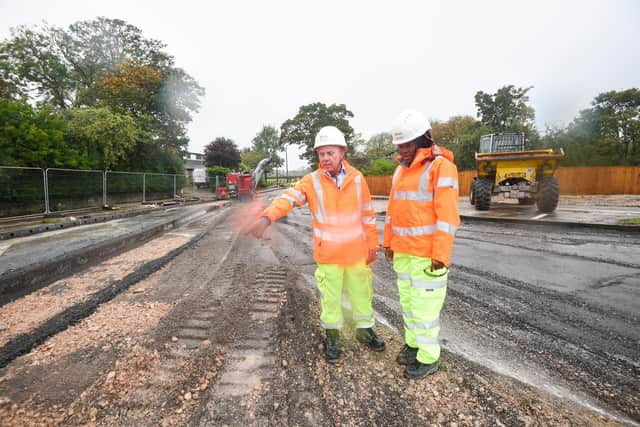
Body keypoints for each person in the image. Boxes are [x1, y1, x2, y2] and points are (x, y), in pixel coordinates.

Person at [245, 125, 385, 363]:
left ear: (342, 152)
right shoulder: (311, 181)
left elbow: (368, 215)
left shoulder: (358, 179)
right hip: (329, 254)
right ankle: (333, 336)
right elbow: (288, 198)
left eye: (330, 153)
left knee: (361, 293)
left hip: (355, 253)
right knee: (330, 298)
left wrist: (372, 244)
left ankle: (364, 330)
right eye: (321, 154)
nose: (325, 158)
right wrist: (267, 217)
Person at [383, 110, 460, 380]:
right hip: (404, 253)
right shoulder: (399, 172)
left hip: (428, 257)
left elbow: (448, 216)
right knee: (409, 304)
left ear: (422, 139)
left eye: (406, 144)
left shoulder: (441, 168)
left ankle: (428, 358)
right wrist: (388, 243)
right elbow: (392, 211)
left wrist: (441, 254)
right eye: (399, 145)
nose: (401, 150)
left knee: (425, 309)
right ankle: (414, 345)